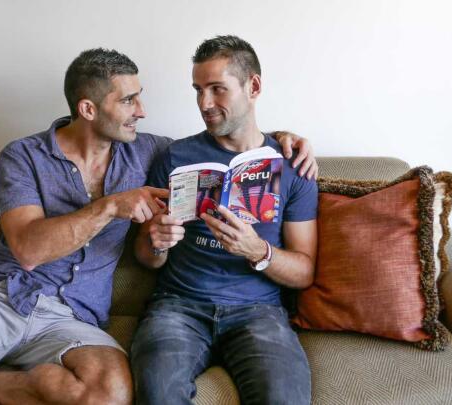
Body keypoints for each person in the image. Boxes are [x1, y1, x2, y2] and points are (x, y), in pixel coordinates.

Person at [0, 47, 316, 405]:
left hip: (75, 317)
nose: (142, 110)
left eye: (139, 96)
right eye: (128, 100)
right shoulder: (23, 156)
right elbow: (28, 248)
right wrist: (113, 211)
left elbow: (235, 138)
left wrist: (285, 139)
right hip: (1, 295)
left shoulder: (149, 151)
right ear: (88, 108)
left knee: (113, 395)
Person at [131, 35, 318, 405]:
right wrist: (156, 241)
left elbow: (304, 271)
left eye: (217, 89)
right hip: (178, 305)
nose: (204, 103)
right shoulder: (174, 157)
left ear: (253, 86)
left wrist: (258, 250)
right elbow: (144, 257)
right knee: (158, 395)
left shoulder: (292, 165)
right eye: (198, 90)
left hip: (259, 312)